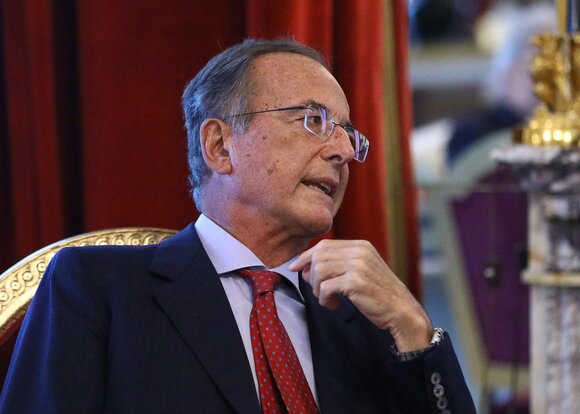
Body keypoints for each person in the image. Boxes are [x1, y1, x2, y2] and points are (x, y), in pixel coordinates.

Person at [0, 38, 475, 413]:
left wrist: (415, 330)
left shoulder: (360, 313)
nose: (343, 151)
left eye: (348, 134)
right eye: (313, 120)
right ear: (220, 146)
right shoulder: (98, 290)